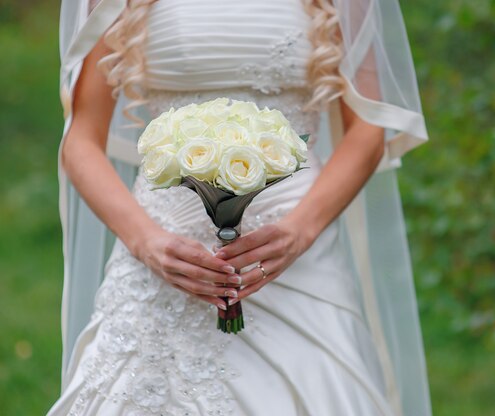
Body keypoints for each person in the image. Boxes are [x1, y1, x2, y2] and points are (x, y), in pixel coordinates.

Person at [48, 0, 431, 414]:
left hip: (292, 249)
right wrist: (147, 242)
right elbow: (81, 140)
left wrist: (300, 231)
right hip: (162, 250)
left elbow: (367, 130)